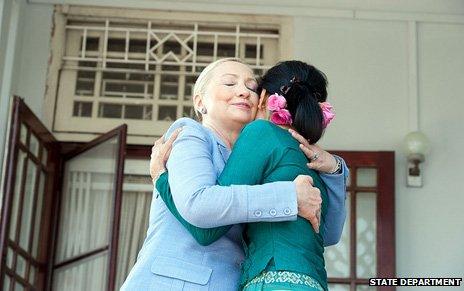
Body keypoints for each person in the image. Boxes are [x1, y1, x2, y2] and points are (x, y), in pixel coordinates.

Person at [121, 58, 347, 291]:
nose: (243, 92)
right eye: (229, 83)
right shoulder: (191, 135)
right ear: (200, 102)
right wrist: (291, 197)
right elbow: (198, 205)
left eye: (251, 87)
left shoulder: (262, 151)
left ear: (263, 100)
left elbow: (324, 231)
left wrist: (335, 168)